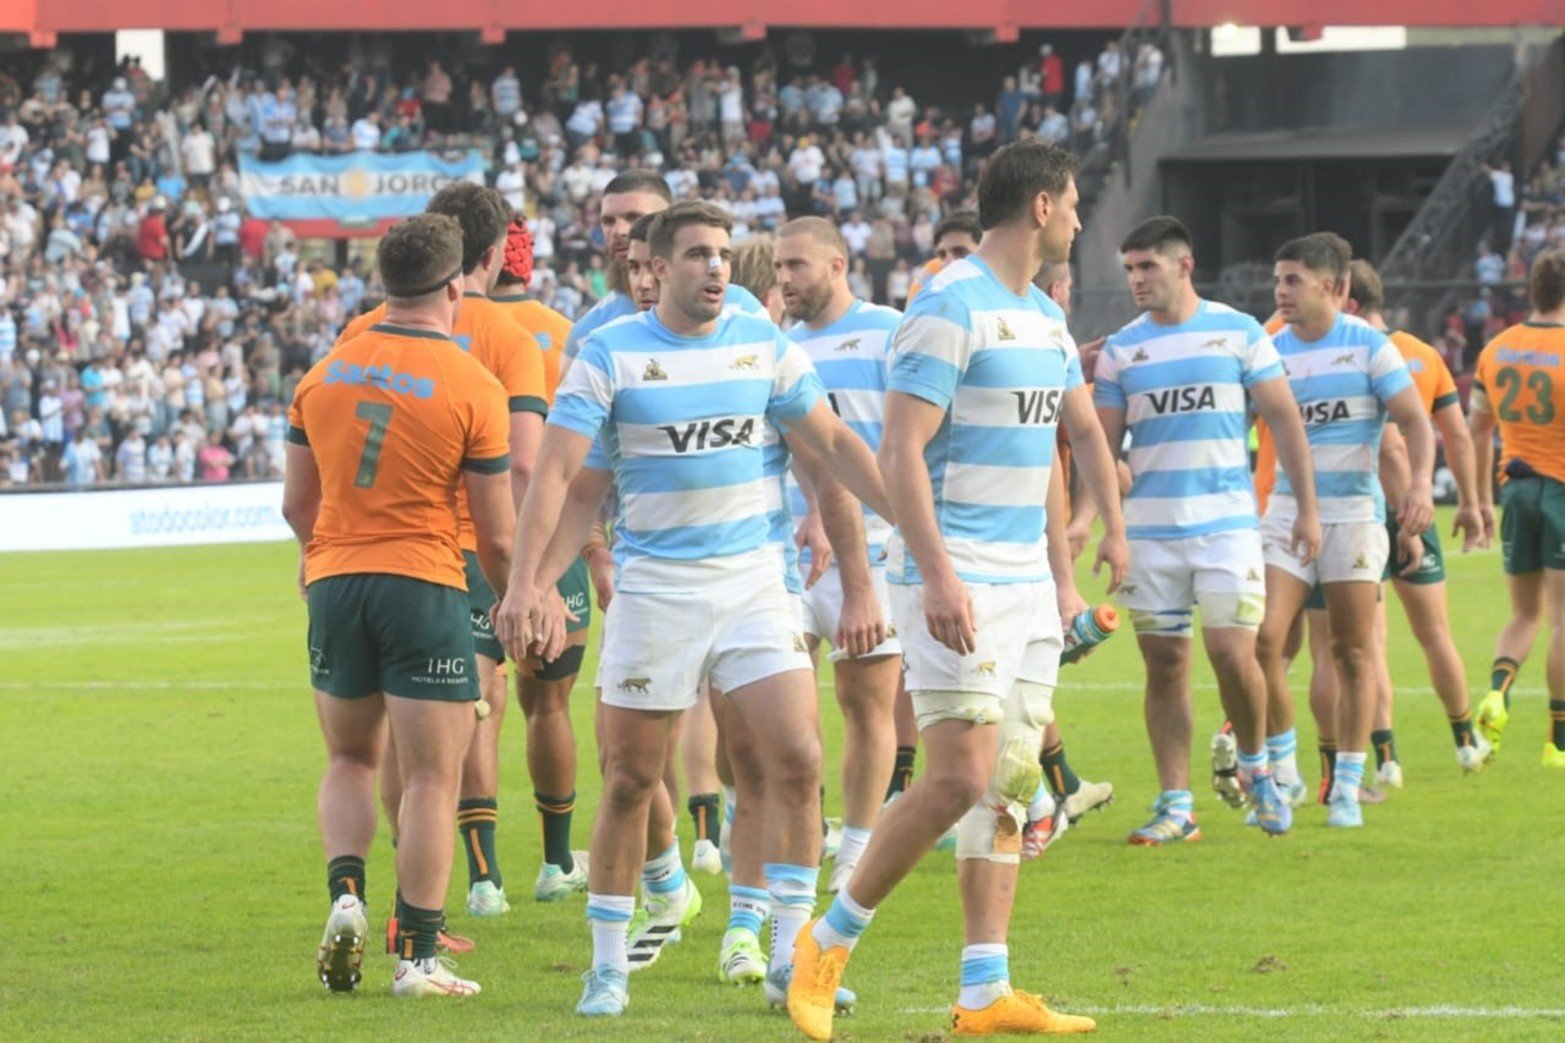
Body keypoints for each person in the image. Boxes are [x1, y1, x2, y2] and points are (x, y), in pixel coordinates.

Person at [494, 201, 894, 1019]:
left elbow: (833, 444)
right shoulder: (609, 354)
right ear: (659, 268)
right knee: (632, 778)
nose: (716, 268)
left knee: (796, 760)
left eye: (720, 254)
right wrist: (527, 583)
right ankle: (606, 965)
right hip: (657, 591)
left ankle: (790, 958)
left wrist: (918, 523)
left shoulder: (761, 344)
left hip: (754, 582)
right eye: (697, 256)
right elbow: (569, 484)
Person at [788, 140, 1126, 1040]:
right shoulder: (946, 303)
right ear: (1043, 208)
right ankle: (823, 942)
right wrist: (936, 571)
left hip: (1021, 581)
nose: (1083, 218)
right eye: (1075, 201)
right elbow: (899, 448)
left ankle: (984, 991)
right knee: (955, 778)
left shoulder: (1044, 319)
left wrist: (1084, 552)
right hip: (956, 571)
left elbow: (1071, 438)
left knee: (1010, 782)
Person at [283, 212, 514, 997]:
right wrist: (521, 600)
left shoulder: (325, 372)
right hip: (423, 580)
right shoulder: (472, 384)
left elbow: (294, 505)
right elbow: (494, 530)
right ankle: (417, 955)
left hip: (336, 580)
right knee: (429, 777)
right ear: (455, 285)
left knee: (350, 758)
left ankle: (346, 895)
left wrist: (318, 560)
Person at [337, 184, 549, 930]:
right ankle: (451, 900)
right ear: (482, 259)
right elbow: (522, 469)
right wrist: (527, 582)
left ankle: (381, 894)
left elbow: (311, 475)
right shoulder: (511, 340)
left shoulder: (358, 332)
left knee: (381, 744)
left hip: (349, 558)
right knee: (456, 735)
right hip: (449, 560)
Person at [1093, 217, 1319, 843]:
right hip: (1151, 534)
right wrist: (1095, 523)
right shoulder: (1120, 350)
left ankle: (1258, 766)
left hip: (1225, 528)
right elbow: (1101, 447)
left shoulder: (1238, 333)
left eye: (1148, 267)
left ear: (1184, 266)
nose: (1137, 280)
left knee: (1231, 654)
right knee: (1164, 665)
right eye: (1130, 269)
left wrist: (1306, 509)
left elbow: (1285, 421)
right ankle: (1176, 805)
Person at [1254, 235, 1435, 829]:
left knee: (1352, 651)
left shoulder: (1369, 348)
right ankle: (1284, 774)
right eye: (1279, 280)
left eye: (1293, 281)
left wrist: (1419, 486)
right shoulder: (1270, 350)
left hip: (1354, 516)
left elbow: (1414, 422)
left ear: (1334, 288)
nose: (1281, 292)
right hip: (1286, 511)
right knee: (1264, 643)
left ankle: (1348, 789)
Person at [773, 217, 904, 894]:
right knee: (768, 705)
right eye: (778, 267)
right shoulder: (776, 346)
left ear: (836, 264)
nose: (784, 279)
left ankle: (855, 844)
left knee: (864, 699)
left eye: (796, 264)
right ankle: (802, 822)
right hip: (788, 547)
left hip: (873, 546)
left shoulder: (888, 330)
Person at [1343, 259, 1494, 777]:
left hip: (1362, 506)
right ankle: (1465, 740)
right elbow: (1456, 432)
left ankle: (1387, 760)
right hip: (1415, 506)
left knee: (1371, 641)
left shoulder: (1346, 350)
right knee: (1435, 634)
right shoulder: (1423, 356)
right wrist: (1472, 503)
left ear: (1348, 301)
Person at [489, 216, 598, 901]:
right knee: (547, 703)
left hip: (456, 533)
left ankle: (481, 880)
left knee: (475, 700)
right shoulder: (564, 332)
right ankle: (556, 863)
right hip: (552, 535)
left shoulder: (440, 322)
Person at [1469, 248, 1565, 767]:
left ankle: (1497, 694)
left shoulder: (1498, 348)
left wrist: (1480, 497)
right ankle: (1559, 744)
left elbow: (1477, 429)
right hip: (1562, 491)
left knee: (1525, 613)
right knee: (1564, 619)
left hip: (1516, 490)